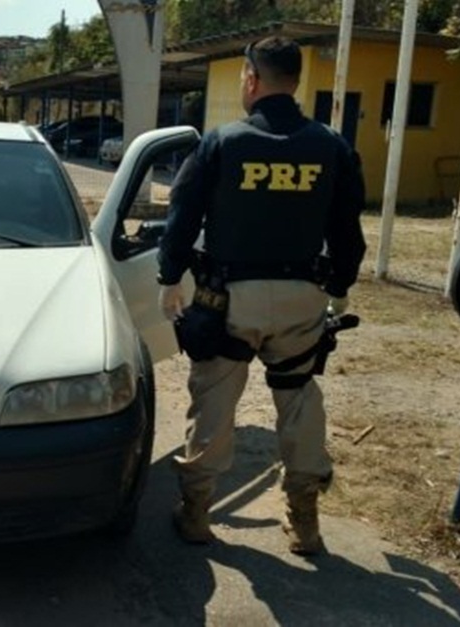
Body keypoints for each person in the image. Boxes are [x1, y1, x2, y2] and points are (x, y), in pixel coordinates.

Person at [155, 36, 367, 555]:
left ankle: (198, 513)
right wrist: (339, 287)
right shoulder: (332, 146)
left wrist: (168, 279)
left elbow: (182, 217)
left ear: (251, 78)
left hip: (229, 301)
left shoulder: (223, 142)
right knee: (299, 403)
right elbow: (347, 230)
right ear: (296, 81)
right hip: (302, 297)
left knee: (215, 404)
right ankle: (305, 522)